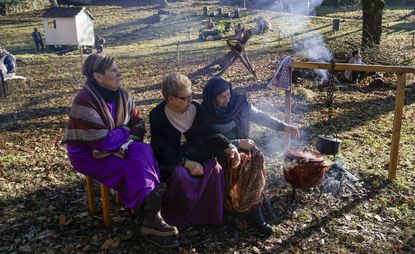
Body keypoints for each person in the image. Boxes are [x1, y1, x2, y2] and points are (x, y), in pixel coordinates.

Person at [61, 53, 178, 246]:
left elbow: (138, 123)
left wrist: (125, 143)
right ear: (98, 76)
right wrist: (124, 131)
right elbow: (99, 140)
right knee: (129, 167)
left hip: (121, 147)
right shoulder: (84, 100)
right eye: (114, 70)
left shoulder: (123, 95)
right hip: (88, 154)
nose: (119, 73)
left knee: (142, 150)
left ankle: (149, 211)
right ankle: (150, 212)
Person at [202, 76, 300, 235]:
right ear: (212, 97)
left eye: (229, 94)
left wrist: (284, 126)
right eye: (222, 97)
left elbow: (260, 116)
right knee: (242, 162)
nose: (228, 99)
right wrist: (237, 143)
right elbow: (208, 140)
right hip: (219, 152)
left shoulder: (238, 103)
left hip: (242, 147)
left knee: (257, 157)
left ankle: (254, 205)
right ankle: (249, 210)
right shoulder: (205, 113)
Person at [149, 73, 240, 228]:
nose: (190, 100)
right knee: (180, 176)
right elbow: (160, 148)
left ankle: (209, 216)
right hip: (175, 158)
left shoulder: (196, 109)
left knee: (215, 169)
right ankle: (180, 217)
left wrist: (228, 145)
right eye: (186, 98)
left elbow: (209, 133)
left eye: (191, 95)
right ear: (171, 98)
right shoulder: (157, 115)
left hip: (199, 153)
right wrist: (186, 163)